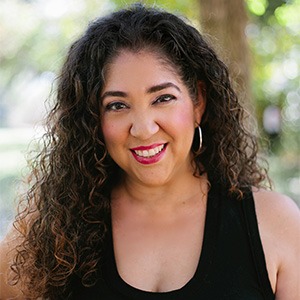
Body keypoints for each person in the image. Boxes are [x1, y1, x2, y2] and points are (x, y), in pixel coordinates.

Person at [0, 3, 299, 299]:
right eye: (117, 105)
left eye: (163, 98)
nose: (143, 128)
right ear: (92, 120)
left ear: (199, 103)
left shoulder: (273, 224)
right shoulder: (54, 229)